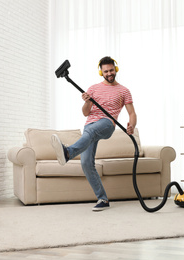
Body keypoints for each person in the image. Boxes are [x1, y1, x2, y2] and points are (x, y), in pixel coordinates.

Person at [51, 56, 137, 211]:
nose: (109, 73)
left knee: (90, 130)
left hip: (107, 123)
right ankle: (103, 199)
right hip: (90, 126)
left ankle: (68, 152)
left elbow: (132, 113)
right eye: (106, 71)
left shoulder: (124, 90)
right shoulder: (93, 88)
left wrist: (131, 126)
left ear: (115, 69)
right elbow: (85, 113)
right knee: (86, 164)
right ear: (101, 72)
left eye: (111, 70)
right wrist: (87, 101)